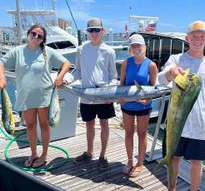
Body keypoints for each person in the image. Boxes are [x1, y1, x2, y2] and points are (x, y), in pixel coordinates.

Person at [158, 21, 205, 191]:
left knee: (197, 162)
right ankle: (172, 189)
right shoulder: (176, 59)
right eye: (194, 36)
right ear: (187, 38)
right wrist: (171, 73)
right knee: (173, 158)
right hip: (175, 123)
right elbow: (161, 79)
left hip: (199, 125)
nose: (198, 39)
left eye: (202, 36)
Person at [0, 25, 71, 168]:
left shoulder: (47, 51)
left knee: (44, 125)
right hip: (25, 95)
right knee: (30, 126)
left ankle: (44, 155)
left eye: (40, 36)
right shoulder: (17, 51)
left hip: (44, 94)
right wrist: (1, 76)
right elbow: (1, 62)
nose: (36, 37)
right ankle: (33, 153)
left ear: (43, 39)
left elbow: (66, 63)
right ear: (28, 34)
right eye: (34, 34)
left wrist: (60, 77)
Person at [65, 18, 117, 170]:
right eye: (91, 30)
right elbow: (78, 70)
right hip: (87, 95)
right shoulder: (81, 49)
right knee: (89, 125)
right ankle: (89, 152)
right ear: (87, 32)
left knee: (104, 124)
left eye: (97, 30)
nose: (94, 33)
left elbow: (113, 76)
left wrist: (110, 94)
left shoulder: (109, 51)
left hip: (104, 95)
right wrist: (67, 79)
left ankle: (103, 155)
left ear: (103, 31)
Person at [119, 34, 158, 177]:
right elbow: (122, 83)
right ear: (130, 48)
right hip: (127, 106)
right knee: (128, 133)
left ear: (144, 47)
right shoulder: (126, 63)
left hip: (143, 107)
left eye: (138, 45)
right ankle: (130, 161)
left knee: (142, 135)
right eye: (133, 46)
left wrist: (148, 100)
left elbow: (154, 89)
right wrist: (120, 97)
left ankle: (140, 163)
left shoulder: (151, 65)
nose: (136, 48)